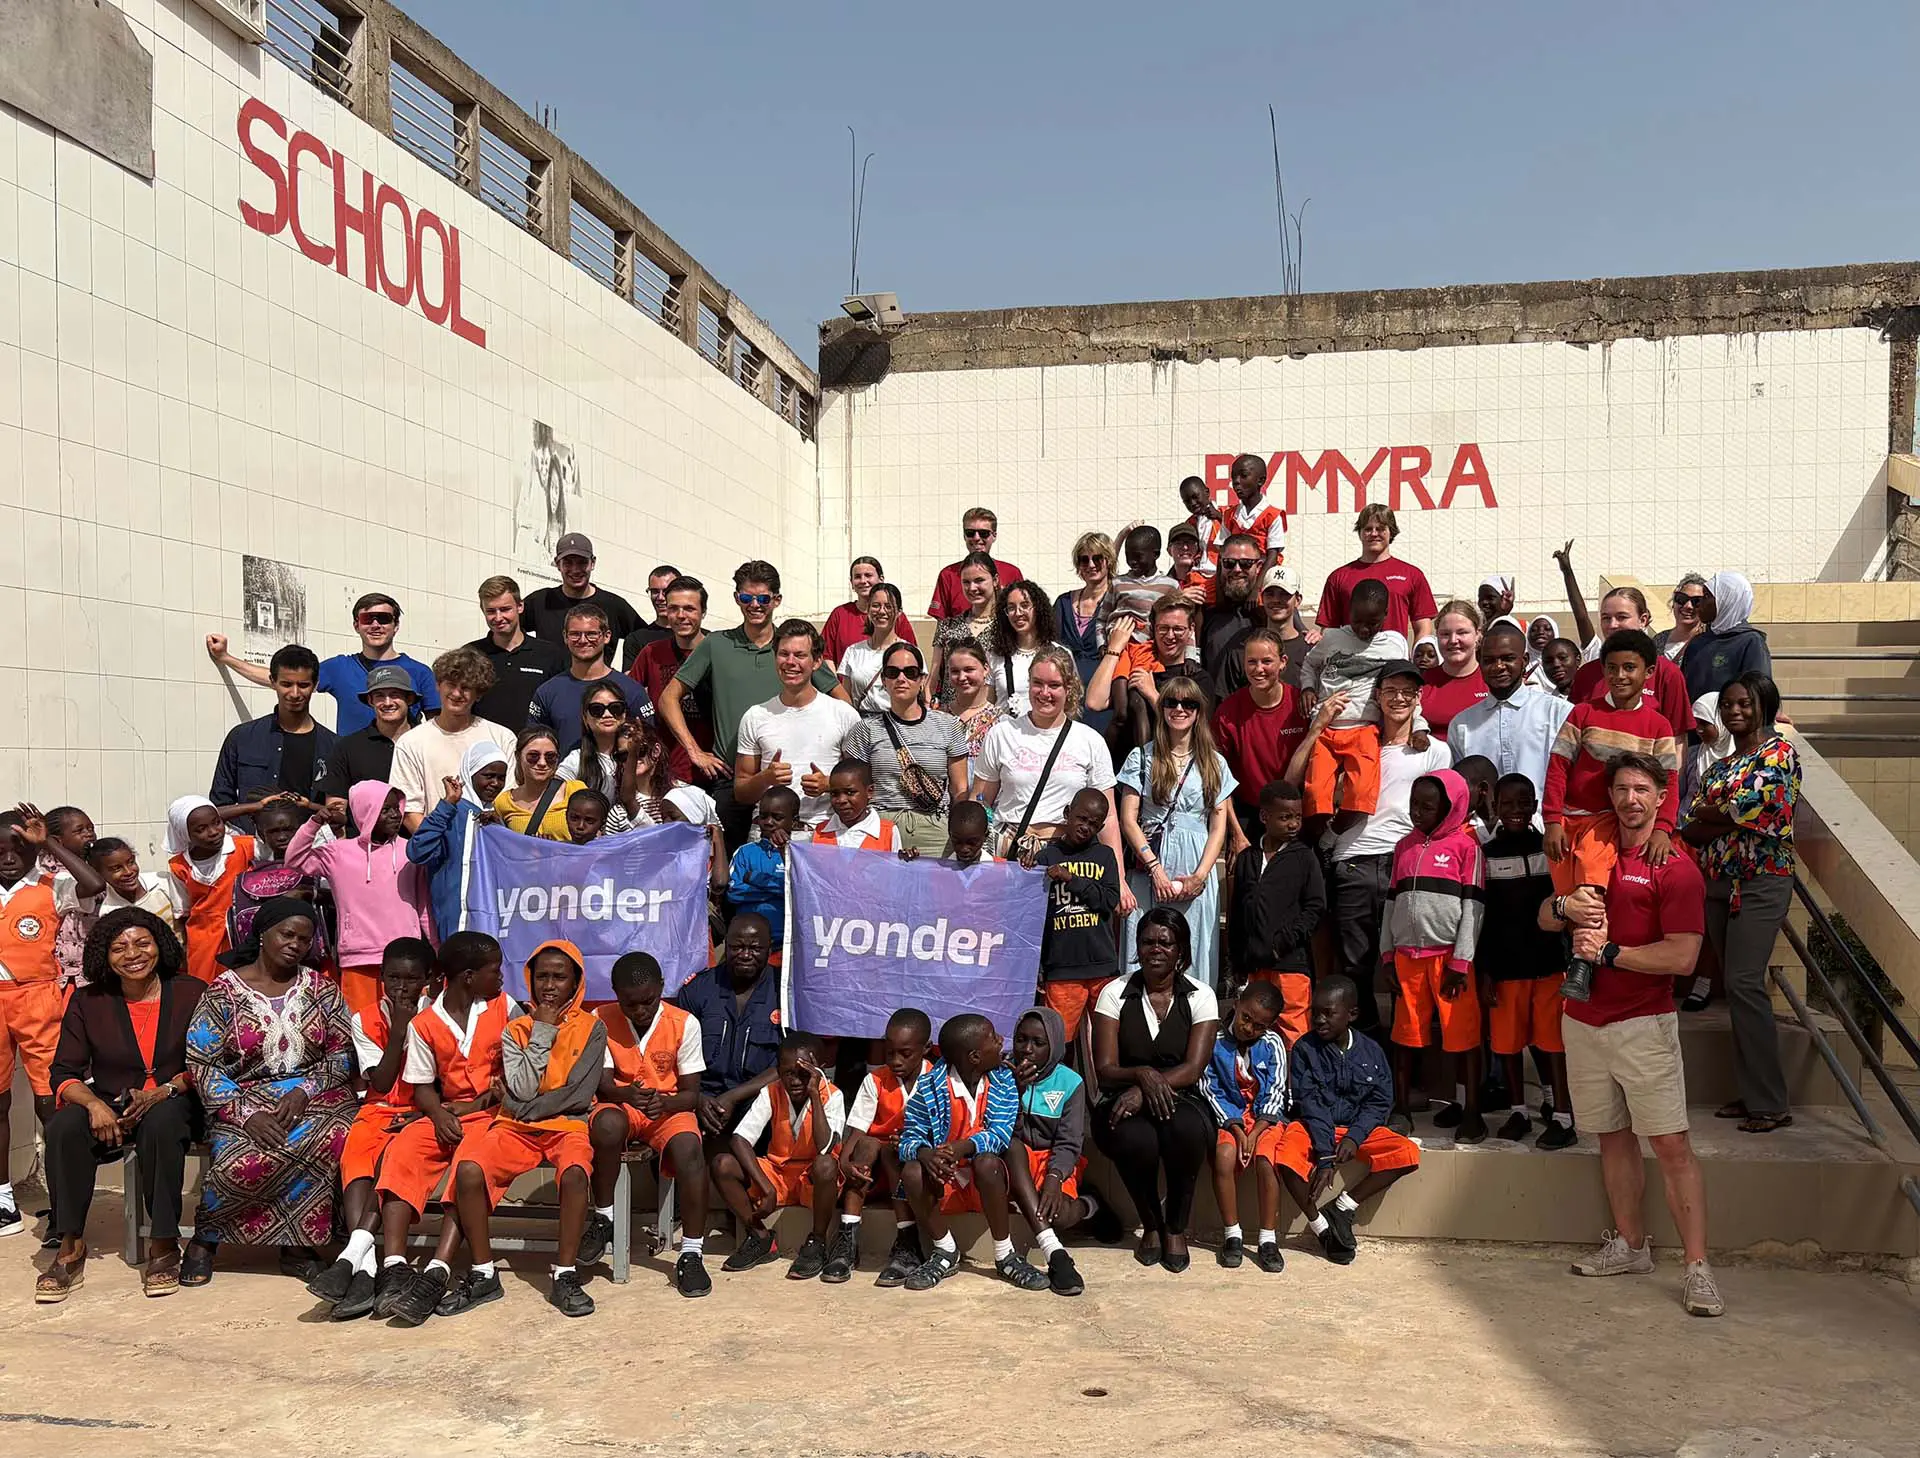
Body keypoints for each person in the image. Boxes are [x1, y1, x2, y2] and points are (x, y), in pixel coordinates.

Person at [1540, 753, 1722, 1317]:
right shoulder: (1589, 844)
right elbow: (1546, 918)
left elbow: (1684, 955)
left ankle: (1698, 1269)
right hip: (1584, 1019)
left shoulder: (1677, 867)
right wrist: (1563, 906)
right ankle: (1631, 1247)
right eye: (1621, 788)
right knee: (1612, 1138)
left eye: (1642, 789)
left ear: (1661, 796)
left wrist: (1613, 954)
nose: (1630, 799)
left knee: (1670, 1145)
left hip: (1644, 1022)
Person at [181, 898, 354, 1285]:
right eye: (287, 934)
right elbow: (201, 1062)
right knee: (240, 1156)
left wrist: (306, 1091)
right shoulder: (222, 992)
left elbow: (343, 1053)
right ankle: (206, 1239)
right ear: (262, 934)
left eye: (305, 939)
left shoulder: (322, 990)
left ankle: (297, 1246)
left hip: (316, 1096)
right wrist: (246, 1114)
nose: (295, 944)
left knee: (335, 1133)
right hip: (243, 1098)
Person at [37, 908, 203, 1301]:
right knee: (62, 1128)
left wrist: (165, 1090)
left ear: (160, 945)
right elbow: (63, 1072)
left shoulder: (192, 991)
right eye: (119, 947)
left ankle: (163, 1244)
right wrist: (94, 1105)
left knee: (162, 1122)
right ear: (104, 955)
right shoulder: (88, 1001)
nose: (133, 954)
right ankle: (70, 1245)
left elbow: (208, 1061)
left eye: (142, 943)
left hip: (177, 1099)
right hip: (112, 1103)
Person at [445, 940, 608, 1317]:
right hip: (513, 1127)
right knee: (470, 1171)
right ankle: (484, 1274)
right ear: (530, 980)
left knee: (574, 1174)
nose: (549, 986)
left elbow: (579, 1095)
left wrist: (524, 1107)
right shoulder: (516, 1028)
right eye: (542, 977)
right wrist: (543, 1032)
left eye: (559, 977)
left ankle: (565, 1274)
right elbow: (519, 1085)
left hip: (566, 1126)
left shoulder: (592, 1028)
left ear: (576, 982)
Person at [1294, 661, 1448, 1036]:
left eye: (1408, 692)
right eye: (1391, 690)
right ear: (1377, 696)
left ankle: (1408, 1052)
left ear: (1419, 698)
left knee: (1409, 963)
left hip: (1407, 863)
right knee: (1354, 964)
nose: (1399, 698)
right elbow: (1294, 780)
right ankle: (1364, 1044)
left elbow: (1444, 814)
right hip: (1353, 863)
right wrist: (1317, 727)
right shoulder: (1354, 743)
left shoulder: (1434, 752)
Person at [1681, 673, 1800, 1132]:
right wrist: (1729, 813)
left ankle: (1771, 1102)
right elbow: (1691, 823)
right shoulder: (1721, 766)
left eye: (1744, 703)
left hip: (1760, 882)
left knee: (1746, 982)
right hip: (1718, 884)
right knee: (1736, 987)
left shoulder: (1779, 754)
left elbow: (1752, 809)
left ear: (1764, 705)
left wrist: (1726, 812)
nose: (1734, 711)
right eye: (1727, 704)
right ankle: (1752, 1093)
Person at [378, 931, 513, 1325]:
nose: (501, 977)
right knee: (403, 1151)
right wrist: (437, 1115)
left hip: (493, 1116)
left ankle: (438, 1268)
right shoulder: (425, 1023)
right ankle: (395, 1264)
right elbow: (422, 1087)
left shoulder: (507, 1008)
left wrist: (478, 1103)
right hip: (447, 1111)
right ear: (468, 977)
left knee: (469, 1164)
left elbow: (518, 1077)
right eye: (495, 970)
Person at [662, 561, 844, 852]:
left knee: (785, 868)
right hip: (733, 779)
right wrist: (694, 751)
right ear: (737, 598)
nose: (755, 605)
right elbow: (668, 697)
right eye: (747, 598)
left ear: (777, 600)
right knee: (729, 869)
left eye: (763, 598)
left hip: (784, 786)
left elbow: (841, 702)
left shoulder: (791, 649)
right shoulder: (716, 644)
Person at [1544, 630, 1682, 999]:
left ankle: (1581, 967)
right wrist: (1553, 820)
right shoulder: (1584, 712)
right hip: (1567, 822)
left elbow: (1670, 780)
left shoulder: (1659, 725)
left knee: (1589, 892)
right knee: (1565, 899)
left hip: (1605, 822)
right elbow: (1558, 766)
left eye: (1630, 668)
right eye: (1612, 668)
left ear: (1649, 672)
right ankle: (1574, 961)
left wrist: (1663, 829)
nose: (1620, 676)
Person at [307, 937, 435, 1319]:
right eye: (393, 978)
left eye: (412, 980)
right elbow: (378, 1083)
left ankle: (353, 1260)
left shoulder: (437, 1015)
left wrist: (407, 1026)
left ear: (427, 980)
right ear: (380, 977)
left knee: (393, 1157)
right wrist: (397, 1031)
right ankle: (365, 1268)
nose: (401, 987)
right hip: (379, 1107)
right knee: (357, 1155)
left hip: (422, 1111)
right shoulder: (364, 1018)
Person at [1090, 910, 1219, 1272]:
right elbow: (1105, 1069)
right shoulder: (1114, 993)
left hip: (1183, 1095)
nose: (1156, 949)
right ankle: (1151, 1223)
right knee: (1135, 1140)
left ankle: (1175, 1226)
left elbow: (1193, 1068)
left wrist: (1146, 1089)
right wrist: (1142, 1075)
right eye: (1148, 942)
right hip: (1120, 1095)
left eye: (1166, 942)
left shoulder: (1201, 996)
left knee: (1187, 1132)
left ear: (1181, 951)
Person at [1, 806, 104, 1239]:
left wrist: (48, 844)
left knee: (51, 1098)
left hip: (39, 996)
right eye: (0, 849)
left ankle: (64, 1200)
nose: (8, 857)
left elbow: (95, 884)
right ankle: (3, 1196)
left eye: (19, 847)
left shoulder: (50, 886)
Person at [587, 952, 713, 1298]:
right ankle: (604, 1219)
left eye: (648, 1001)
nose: (640, 1010)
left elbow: (691, 1094)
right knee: (606, 1126)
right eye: (630, 1004)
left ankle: (691, 1251)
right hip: (622, 1104)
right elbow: (603, 1083)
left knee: (690, 1149)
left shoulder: (684, 1023)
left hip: (668, 1108)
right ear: (615, 993)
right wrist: (624, 1094)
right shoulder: (600, 1018)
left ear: (661, 988)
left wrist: (666, 1103)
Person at [896, 1013, 1046, 1291]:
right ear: (975, 1057)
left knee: (988, 1162)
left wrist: (964, 1146)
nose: (1001, 1041)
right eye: (993, 1038)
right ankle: (945, 1251)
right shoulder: (928, 1088)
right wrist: (926, 1154)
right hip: (946, 1184)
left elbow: (1001, 1135)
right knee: (912, 1170)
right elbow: (907, 1139)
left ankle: (1005, 1254)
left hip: (987, 1185)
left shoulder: (1004, 1081)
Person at [1277, 977, 1421, 1265]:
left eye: (1328, 1013)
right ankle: (1321, 1227)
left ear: (1351, 1014)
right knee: (1285, 1157)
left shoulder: (1372, 1051)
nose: (1319, 1020)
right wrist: (1325, 1155)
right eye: (1314, 1012)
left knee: (1406, 1153)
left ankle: (1343, 1207)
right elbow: (1310, 1103)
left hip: (1358, 1129)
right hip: (1315, 1127)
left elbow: (1379, 1102)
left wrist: (1355, 1137)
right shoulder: (1305, 1049)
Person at [1382, 769, 1487, 1140]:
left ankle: (1472, 1111)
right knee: (1405, 1035)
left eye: (1428, 806)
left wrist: (1462, 961)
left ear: (1450, 807)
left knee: (1463, 1037)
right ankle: (1401, 1109)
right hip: (1408, 957)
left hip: (1449, 961)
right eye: (1414, 805)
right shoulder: (1404, 846)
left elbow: (1473, 909)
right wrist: (1386, 953)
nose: (1418, 812)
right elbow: (1391, 903)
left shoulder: (1466, 847)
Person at [973, 646, 1130, 886]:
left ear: (1069, 688)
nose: (1044, 693)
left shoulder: (1090, 741)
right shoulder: (1001, 734)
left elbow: (1107, 816)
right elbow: (981, 801)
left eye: (1054, 685)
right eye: (1038, 683)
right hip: (1009, 853)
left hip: (1068, 856)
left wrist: (1117, 877)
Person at [1116, 679, 1235, 984]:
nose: (1179, 709)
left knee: (1191, 949)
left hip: (1197, 859)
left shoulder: (1215, 762)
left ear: (1198, 711)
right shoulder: (1141, 757)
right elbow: (1128, 819)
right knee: (1144, 948)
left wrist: (1200, 876)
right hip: (1150, 861)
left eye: (1189, 704)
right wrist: (1155, 869)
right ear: (1162, 707)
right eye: (1172, 702)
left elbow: (1218, 825)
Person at [1482, 775, 1577, 1149]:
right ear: (1496, 808)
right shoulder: (1486, 855)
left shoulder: (1549, 848)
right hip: (1505, 969)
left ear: (1536, 803)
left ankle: (1564, 1117)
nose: (1516, 811)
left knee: (1552, 1043)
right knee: (1507, 1045)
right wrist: (1485, 970)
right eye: (1507, 804)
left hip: (1548, 964)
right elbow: (1484, 918)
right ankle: (1519, 1111)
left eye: (1524, 803)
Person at [283, 782, 430, 1014]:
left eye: (396, 808)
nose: (395, 815)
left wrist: (436, 948)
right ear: (366, 813)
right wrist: (314, 823)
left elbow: (423, 906)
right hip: (358, 959)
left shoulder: (410, 851)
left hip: (406, 961)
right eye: (386, 810)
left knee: (409, 1031)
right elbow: (295, 860)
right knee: (363, 1030)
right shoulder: (338, 853)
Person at [206, 592, 439, 735]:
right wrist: (226, 658)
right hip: (354, 772)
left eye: (384, 619)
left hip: (403, 770)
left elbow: (436, 727)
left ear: (395, 625)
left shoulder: (420, 673)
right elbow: (281, 679)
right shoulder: (339, 668)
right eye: (368, 619)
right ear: (356, 625)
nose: (376, 625)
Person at [711, 1031, 843, 1276]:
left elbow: (825, 1147)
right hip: (778, 1174)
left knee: (826, 1164)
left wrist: (815, 1093)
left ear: (819, 1071)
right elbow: (740, 1139)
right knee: (722, 1164)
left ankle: (818, 1241)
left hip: (811, 1179)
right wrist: (767, 1188)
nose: (794, 1081)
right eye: (787, 1073)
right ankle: (759, 1236)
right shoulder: (772, 1091)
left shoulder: (832, 1095)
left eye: (803, 1074)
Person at [840, 642, 969, 858]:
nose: (901, 679)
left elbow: (960, 789)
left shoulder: (948, 725)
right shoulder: (866, 729)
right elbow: (854, 785)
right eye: (893, 672)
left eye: (910, 672)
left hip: (935, 829)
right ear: (884, 680)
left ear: (921, 679)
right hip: (882, 827)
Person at [733, 620, 865, 829]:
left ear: (817, 661)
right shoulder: (755, 716)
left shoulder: (843, 714)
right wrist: (766, 778)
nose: (790, 662)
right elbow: (741, 792)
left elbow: (863, 783)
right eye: (784, 654)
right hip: (767, 835)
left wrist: (829, 784)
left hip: (825, 833)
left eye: (800, 655)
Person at [835, 1007, 933, 1286]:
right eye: (890, 1053)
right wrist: (845, 1162)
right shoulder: (876, 1080)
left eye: (905, 1053)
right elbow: (857, 1131)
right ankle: (847, 1238)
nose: (896, 1060)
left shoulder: (938, 1081)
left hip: (911, 1169)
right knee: (866, 1145)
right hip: (873, 1172)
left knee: (895, 1151)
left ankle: (907, 1242)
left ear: (926, 1048)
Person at [1006, 1007, 1099, 1296]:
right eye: (1021, 1040)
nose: (1027, 1050)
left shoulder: (1069, 1082)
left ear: (1055, 1045)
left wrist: (1055, 1177)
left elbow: (1070, 1142)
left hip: (1054, 1160)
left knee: (1060, 1214)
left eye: (1038, 1043)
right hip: (1015, 1158)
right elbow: (1003, 1133)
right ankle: (1055, 1253)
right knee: (1011, 1148)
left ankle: (1089, 1205)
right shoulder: (1002, 1075)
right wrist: (1016, 1092)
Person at [1555, 551, 1697, 736]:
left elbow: (1677, 740)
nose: (1613, 625)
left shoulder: (1667, 674)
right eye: (1606, 618)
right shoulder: (1586, 675)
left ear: (1643, 619)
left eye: (1622, 617)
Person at [1300, 579, 1410, 818]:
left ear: (1386, 614)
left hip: (1365, 729)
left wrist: (1418, 726)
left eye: (1372, 623)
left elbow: (1407, 688)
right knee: (1315, 795)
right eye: (1357, 621)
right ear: (1348, 611)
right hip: (1326, 729)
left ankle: (1336, 838)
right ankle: (1318, 842)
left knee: (1361, 794)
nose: (1363, 629)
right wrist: (1307, 688)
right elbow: (1310, 663)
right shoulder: (1332, 638)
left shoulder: (1394, 644)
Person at [1225, 780, 1323, 1045]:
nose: (1293, 824)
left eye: (1297, 817)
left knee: (1293, 1030)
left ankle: (1294, 1087)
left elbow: (1315, 907)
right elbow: (1237, 912)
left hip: (1289, 964)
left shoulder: (1305, 857)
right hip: (1253, 965)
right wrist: (1237, 959)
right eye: (1285, 817)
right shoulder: (1248, 857)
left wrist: (1283, 943)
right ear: (1264, 816)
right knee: (1252, 1031)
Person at [1202, 980, 1290, 1273]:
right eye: (1246, 1018)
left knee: (1267, 1160)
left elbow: (1275, 1092)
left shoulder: (1273, 1044)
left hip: (1265, 1121)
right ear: (1237, 1005)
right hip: (1230, 1117)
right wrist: (1239, 1130)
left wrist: (1255, 1133)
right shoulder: (1214, 1040)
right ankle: (1233, 1234)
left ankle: (1267, 1239)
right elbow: (1210, 1088)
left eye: (1259, 1025)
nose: (1248, 1028)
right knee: (1224, 1157)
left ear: (1270, 1026)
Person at [676, 914, 783, 1138]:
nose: (745, 955)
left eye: (754, 948)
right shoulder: (698, 990)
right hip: (702, 1097)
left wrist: (734, 1097)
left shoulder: (785, 992)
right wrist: (698, 1099)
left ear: (769, 948)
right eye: (737, 947)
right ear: (726, 944)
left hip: (759, 1098)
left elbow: (789, 1062)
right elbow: (676, 1054)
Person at [388, 647, 516, 834]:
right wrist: (437, 847)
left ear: (478, 693)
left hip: (490, 846)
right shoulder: (411, 743)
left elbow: (509, 802)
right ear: (438, 685)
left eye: (465, 687)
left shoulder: (503, 738)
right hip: (438, 851)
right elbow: (410, 810)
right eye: (451, 684)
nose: (457, 694)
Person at [1447, 621, 1574, 805]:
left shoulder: (1558, 713)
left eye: (1507, 658)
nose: (1498, 667)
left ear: (1524, 661)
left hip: (1546, 828)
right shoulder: (1462, 724)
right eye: (1489, 660)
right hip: (1484, 832)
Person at [209, 644, 335, 828]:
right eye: (286, 684)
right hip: (252, 847)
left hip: (309, 849)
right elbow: (220, 803)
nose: (294, 693)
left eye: (303, 685)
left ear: (315, 685)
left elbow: (336, 812)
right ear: (272, 681)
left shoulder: (332, 746)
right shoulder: (242, 737)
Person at [1033, 789, 1123, 1047]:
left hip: (1102, 966)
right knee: (1058, 1043)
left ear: (1102, 826)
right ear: (1067, 814)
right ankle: (1063, 1086)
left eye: (1094, 824)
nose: (1085, 827)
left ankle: (1107, 1088)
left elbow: (1109, 901)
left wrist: (1071, 879)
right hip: (1061, 968)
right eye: (1081, 818)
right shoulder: (1047, 856)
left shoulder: (1105, 856)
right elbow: (1032, 911)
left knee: (1109, 1042)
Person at [1214, 629, 1312, 847]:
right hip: (1248, 814)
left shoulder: (1301, 704)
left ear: (1283, 662)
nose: (1259, 669)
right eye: (1252, 662)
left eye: (1267, 661)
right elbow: (1218, 777)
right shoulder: (1228, 712)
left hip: (1295, 814)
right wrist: (1236, 833)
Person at [407, 744, 509, 945]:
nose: (495, 783)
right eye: (488, 776)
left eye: (501, 777)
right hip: (456, 923)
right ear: (470, 773)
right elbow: (417, 851)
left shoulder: (494, 817)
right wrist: (447, 805)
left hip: (490, 922)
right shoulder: (452, 812)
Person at [527, 602, 655, 752]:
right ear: (565, 637)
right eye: (575, 634)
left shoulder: (632, 690)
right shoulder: (547, 692)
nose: (582, 640)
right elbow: (533, 745)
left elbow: (649, 745)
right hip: (564, 775)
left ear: (607, 636)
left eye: (591, 634)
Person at [625, 576, 713, 782]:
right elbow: (628, 702)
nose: (681, 616)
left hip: (716, 768)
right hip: (666, 771)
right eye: (673, 608)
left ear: (703, 612)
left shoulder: (719, 650)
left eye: (689, 608)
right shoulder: (651, 653)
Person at [165, 794, 258, 985]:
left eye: (217, 823)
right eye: (201, 829)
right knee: (204, 986)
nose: (214, 832)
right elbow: (183, 911)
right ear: (185, 834)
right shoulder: (179, 866)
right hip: (204, 938)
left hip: (244, 930)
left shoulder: (245, 847)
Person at [1316, 504, 1438, 642]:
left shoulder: (1412, 575)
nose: (1374, 534)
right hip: (1352, 661)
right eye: (1368, 529)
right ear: (1360, 533)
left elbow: (1424, 627)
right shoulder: (1338, 577)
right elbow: (1329, 630)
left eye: (1380, 529)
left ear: (1391, 532)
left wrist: (1414, 661)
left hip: (1395, 660)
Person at [467, 575, 569, 732]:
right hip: (485, 751)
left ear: (520, 606)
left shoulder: (550, 655)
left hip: (534, 751)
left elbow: (561, 708)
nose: (498, 617)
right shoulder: (470, 655)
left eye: (505, 609)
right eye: (491, 611)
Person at [523, 533, 642, 658]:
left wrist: (630, 670)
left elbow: (646, 640)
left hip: (599, 678)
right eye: (568, 563)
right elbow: (506, 630)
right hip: (551, 677)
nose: (575, 570)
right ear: (558, 564)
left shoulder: (613, 605)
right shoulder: (541, 601)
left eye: (582, 563)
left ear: (593, 563)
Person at [317, 665, 419, 811]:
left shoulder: (427, 742)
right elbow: (336, 809)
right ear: (370, 700)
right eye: (380, 696)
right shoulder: (347, 747)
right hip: (362, 834)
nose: (388, 702)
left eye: (395, 694)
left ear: (409, 699)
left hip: (423, 832)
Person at [1054, 532, 1116, 733]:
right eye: (1084, 559)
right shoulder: (1063, 603)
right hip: (1068, 700)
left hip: (1104, 699)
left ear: (1109, 561)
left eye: (1097, 558)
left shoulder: (1118, 601)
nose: (1090, 565)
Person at [1196, 534, 1271, 697]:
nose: (1237, 570)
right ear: (1220, 564)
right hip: (1214, 711)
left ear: (1258, 566)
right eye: (1229, 563)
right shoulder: (1204, 605)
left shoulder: (1269, 607)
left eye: (1245, 563)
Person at [1681, 570, 1773, 700]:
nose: (1699, 604)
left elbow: (1759, 694)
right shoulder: (1697, 643)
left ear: (1726, 602)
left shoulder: (1750, 643)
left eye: (1706, 597)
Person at [930, 555, 1003, 704]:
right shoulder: (948, 626)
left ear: (995, 581)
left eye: (979, 581)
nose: (972, 588)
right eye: (966, 582)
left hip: (991, 717)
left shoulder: (1006, 627)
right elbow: (934, 676)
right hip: (950, 715)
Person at [726, 792, 796, 946]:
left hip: (787, 941)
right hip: (748, 942)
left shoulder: (799, 854)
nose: (769, 822)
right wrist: (778, 890)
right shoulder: (745, 851)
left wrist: (757, 879)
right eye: (763, 816)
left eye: (777, 817)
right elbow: (734, 892)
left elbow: (798, 892)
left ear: (794, 821)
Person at [927, 508, 1023, 620]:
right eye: (970, 533)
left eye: (984, 533)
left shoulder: (1011, 573)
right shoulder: (948, 575)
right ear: (964, 536)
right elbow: (942, 623)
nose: (977, 538)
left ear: (994, 535)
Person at [78, 837, 186, 935]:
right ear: (98, 873)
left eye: (131, 862)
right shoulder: (109, 911)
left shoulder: (164, 883)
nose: (128, 871)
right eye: (116, 868)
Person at [823, 556, 919, 664]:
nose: (863, 581)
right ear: (852, 583)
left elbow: (912, 656)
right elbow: (825, 655)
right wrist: (835, 682)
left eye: (868, 575)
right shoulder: (840, 614)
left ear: (881, 579)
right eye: (857, 577)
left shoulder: (896, 617)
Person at [495, 725, 582, 839]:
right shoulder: (503, 802)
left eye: (550, 757)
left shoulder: (575, 790)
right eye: (533, 756)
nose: (542, 763)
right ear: (518, 756)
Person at [941, 637, 1006, 787]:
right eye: (955, 671)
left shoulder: (1001, 723)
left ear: (985, 669)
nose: (962, 677)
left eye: (969, 670)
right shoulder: (938, 717)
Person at [558, 680, 635, 807]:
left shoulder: (640, 754)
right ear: (585, 718)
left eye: (615, 708)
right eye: (597, 709)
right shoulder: (575, 760)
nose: (607, 714)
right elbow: (554, 797)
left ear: (624, 713)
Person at [836, 582, 909, 712]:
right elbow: (846, 699)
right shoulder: (853, 651)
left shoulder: (909, 653)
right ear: (868, 610)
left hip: (897, 723)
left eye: (888, 606)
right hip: (863, 724)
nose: (881, 611)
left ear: (899, 612)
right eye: (876, 606)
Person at [987, 579, 1057, 714]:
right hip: (1006, 732)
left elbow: (1071, 705)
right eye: (1011, 608)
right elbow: (987, 705)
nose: (1018, 613)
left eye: (1025, 605)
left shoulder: (1059, 653)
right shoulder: (995, 656)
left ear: (1038, 608)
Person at [1420, 601, 1488, 739]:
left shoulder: (1492, 681)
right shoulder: (1422, 682)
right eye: (1445, 634)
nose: (1453, 640)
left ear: (1477, 635)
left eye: (1462, 632)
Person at [1222, 452, 1289, 571]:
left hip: (1262, 575)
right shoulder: (1229, 515)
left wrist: (1257, 586)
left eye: (1243, 476)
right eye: (1233, 477)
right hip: (1235, 573)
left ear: (1261, 481)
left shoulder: (1272, 516)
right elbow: (1222, 552)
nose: (1236, 481)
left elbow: (1272, 557)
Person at [810, 759, 898, 850]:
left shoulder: (888, 832)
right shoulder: (820, 832)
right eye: (834, 794)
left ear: (869, 791)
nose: (841, 800)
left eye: (850, 792)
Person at [1109, 524, 1179, 634]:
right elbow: (1102, 619)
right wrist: (1102, 645)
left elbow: (1182, 621)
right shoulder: (1118, 584)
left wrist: (1191, 650)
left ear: (1155, 554)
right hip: (1120, 646)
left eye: (1138, 556)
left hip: (1151, 647)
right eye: (1128, 556)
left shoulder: (1170, 586)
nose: (1132, 561)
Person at [618, 564, 686, 667]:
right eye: (654, 591)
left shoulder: (701, 638)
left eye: (666, 591)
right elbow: (630, 681)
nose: (660, 597)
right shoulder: (637, 639)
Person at [1656, 573, 1711, 663]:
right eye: (1682, 599)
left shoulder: (1707, 643)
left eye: (1696, 601)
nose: (1688, 606)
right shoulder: (1659, 639)